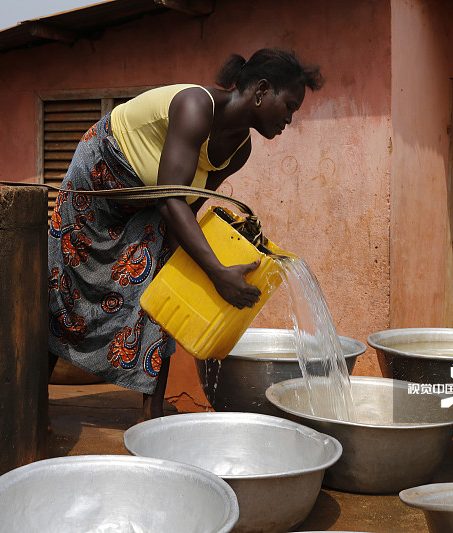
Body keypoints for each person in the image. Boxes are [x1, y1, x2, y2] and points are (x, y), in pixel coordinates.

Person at [47, 48, 324, 422]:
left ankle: (152, 414)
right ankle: (32, 405)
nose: (290, 119)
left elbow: (187, 208)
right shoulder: (196, 106)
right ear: (261, 90)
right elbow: (170, 198)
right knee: (63, 287)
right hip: (100, 180)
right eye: (289, 105)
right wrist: (216, 273)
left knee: (163, 281)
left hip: (153, 199)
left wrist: (195, 273)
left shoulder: (240, 149)